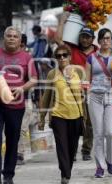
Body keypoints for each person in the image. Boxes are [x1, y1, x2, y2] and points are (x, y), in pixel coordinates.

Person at [0, 27, 37, 184]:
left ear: (20, 40)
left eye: (15, 36)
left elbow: (34, 79)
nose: (12, 38)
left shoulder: (27, 58)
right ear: (4, 37)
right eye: (9, 36)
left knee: (12, 140)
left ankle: (8, 175)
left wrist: (22, 88)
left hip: (16, 106)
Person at [39, 44, 85, 184]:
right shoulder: (52, 74)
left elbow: (83, 94)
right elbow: (46, 96)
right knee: (62, 145)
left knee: (72, 147)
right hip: (58, 115)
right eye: (59, 56)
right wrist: (42, 118)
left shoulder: (79, 72)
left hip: (76, 114)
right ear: (56, 58)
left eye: (65, 55)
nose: (62, 58)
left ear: (70, 57)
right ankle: (65, 174)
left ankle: (67, 171)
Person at [57, 12, 98, 161]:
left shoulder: (97, 53)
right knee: (73, 121)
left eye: (88, 37)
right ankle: (72, 151)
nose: (85, 39)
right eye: (83, 36)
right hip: (72, 91)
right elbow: (58, 40)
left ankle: (86, 150)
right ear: (79, 37)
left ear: (93, 39)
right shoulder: (72, 50)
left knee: (90, 122)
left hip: (92, 92)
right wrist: (62, 21)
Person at [85, 28, 112, 178]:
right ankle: (100, 166)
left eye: (108, 38)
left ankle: (110, 160)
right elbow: (86, 79)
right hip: (95, 97)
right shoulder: (91, 58)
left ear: (111, 40)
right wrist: (85, 91)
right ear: (99, 41)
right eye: (103, 38)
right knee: (98, 133)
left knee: (111, 133)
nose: (106, 41)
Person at [16, 34, 39, 165]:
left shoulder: (29, 60)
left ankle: (19, 153)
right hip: (9, 100)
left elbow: (36, 80)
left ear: (23, 45)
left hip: (25, 99)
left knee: (22, 128)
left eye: (19, 45)